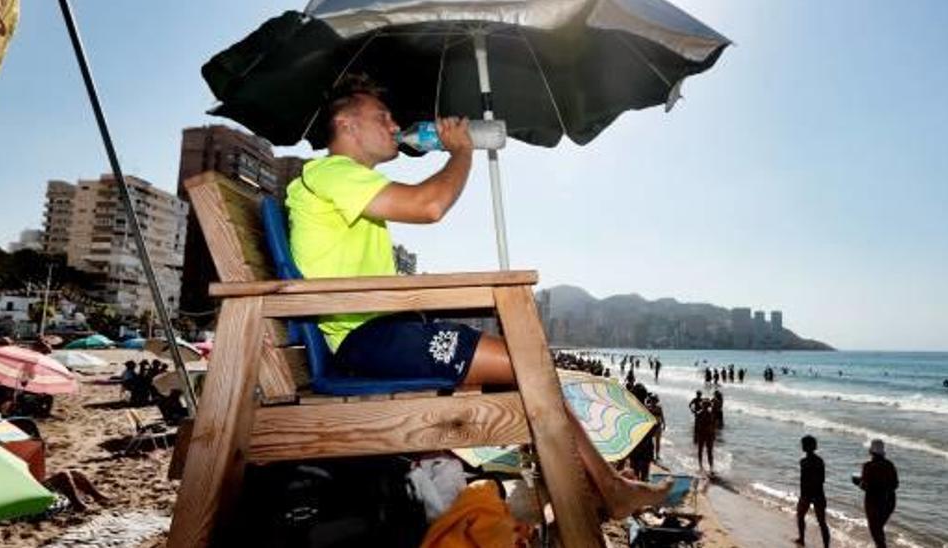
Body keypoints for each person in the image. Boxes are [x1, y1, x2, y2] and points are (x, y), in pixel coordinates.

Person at [283, 75, 668, 518]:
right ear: (346, 124)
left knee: (526, 362)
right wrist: (462, 150)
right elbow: (429, 206)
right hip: (365, 341)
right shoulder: (333, 173)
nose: (394, 126)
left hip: (380, 332)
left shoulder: (344, 184)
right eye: (382, 117)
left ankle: (599, 484)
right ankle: (604, 487)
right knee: (527, 363)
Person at [853, 439, 898, 548]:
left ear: (871, 451)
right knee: (878, 529)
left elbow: (865, 486)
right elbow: (895, 485)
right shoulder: (890, 465)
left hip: (873, 502)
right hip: (889, 501)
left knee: (875, 530)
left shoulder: (868, 466)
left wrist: (857, 482)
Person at [793, 435, 830, 547]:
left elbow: (803, 480)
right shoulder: (819, 461)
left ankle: (802, 539)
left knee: (800, 516)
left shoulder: (803, 462)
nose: (802, 446)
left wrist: (805, 493)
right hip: (819, 493)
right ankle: (826, 546)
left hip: (806, 494)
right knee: (822, 522)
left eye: (803, 444)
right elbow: (822, 479)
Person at [692, 399, 716, 475]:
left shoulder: (709, 414)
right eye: (704, 405)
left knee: (707, 451)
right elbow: (696, 426)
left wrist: (713, 434)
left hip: (706, 434)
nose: (705, 407)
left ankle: (709, 467)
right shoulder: (701, 414)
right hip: (703, 434)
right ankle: (703, 467)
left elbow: (713, 426)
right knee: (704, 451)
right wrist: (695, 435)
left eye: (706, 405)